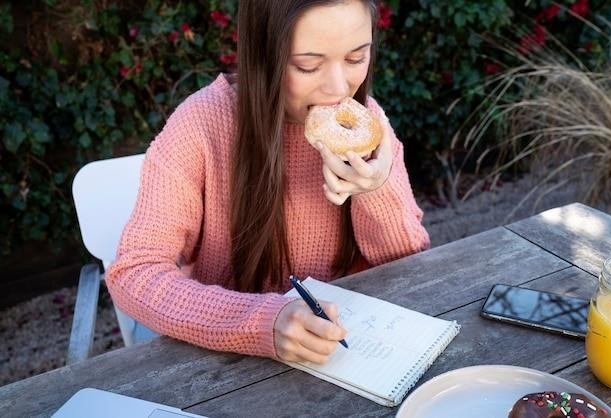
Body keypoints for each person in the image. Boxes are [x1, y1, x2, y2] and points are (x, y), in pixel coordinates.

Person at [106, 0, 430, 365]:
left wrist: (377, 187)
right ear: (263, 54)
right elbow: (134, 273)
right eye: (308, 65)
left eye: (356, 58)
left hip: (344, 352)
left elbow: (409, 268)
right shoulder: (202, 124)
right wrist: (263, 322)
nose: (339, 88)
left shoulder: (370, 125)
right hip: (225, 364)